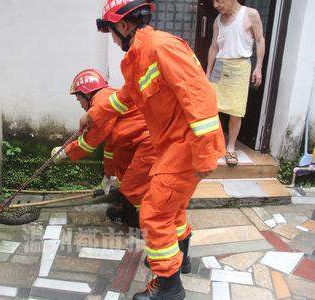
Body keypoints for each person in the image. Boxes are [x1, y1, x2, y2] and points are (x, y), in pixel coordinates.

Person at [79, 1, 225, 299]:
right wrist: (92, 116)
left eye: (111, 32)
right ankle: (177, 259)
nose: (113, 39)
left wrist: (207, 152)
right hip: (169, 146)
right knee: (171, 208)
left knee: (154, 213)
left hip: (184, 147)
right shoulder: (136, 59)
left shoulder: (162, 48)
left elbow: (200, 96)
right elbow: (122, 100)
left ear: (123, 25)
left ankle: (168, 288)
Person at [51, 68, 156, 228]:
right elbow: (110, 148)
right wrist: (109, 176)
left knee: (134, 186)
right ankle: (127, 212)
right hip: (136, 142)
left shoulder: (101, 103)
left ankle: (149, 225)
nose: (80, 106)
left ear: (87, 94)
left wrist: (64, 152)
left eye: (79, 100)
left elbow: (89, 142)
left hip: (149, 143)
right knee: (121, 169)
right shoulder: (105, 98)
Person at [206, 0, 265, 166]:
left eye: (219, 1)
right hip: (219, 66)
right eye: (213, 1)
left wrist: (258, 67)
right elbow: (213, 48)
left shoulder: (250, 14)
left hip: (240, 66)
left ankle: (230, 147)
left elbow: (260, 41)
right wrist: (207, 73)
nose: (215, 5)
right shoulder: (218, 20)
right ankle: (212, 146)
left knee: (236, 110)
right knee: (211, 108)